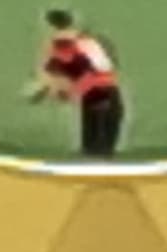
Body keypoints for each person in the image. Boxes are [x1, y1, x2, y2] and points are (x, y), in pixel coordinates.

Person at [34, 9, 127, 157]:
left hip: (97, 96)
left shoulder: (59, 48)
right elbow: (105, 67)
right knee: (102, 151)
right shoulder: (86, 42)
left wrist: (55, 89)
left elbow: (56, 80)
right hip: (105, 96)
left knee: (92, 151)